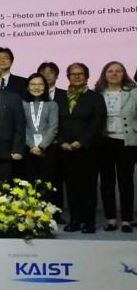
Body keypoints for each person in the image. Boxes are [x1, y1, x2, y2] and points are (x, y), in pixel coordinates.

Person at [59, 63, 106, 234]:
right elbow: (55, 121)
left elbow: (98, 122)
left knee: (88, 187)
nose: (77, 76)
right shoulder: (61, 97)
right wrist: (62, 141)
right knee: (71, 187)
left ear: (86, 76)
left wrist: (81, 141)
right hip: (66, 149)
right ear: (68, 77)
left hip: (88, 149)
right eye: (73, 74)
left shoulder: (95, 97)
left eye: (80, 74)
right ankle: (75, 220)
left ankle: (89, 222)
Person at [95, 61, 137, 232]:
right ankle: (111, 219)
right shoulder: (98, 93)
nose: (114, 74)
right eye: (110, 71)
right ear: (104, 74)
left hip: (126, 141)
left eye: (118, 71)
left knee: (126, 181)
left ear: (124, 74)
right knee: (106, 182)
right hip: (104, 141)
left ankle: (126, 220)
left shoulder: (133, 92)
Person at [21, 73, 58, 194]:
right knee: (29, 185)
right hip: (28, 149)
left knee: (46, 185)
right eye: (33, 84)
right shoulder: (22, 104)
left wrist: (41, 146)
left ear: (45, 87)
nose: (36, 87)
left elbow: (53, 128)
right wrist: (32, 146)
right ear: (27, 87)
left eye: (40, 84)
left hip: (48, 149)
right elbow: (21, 127)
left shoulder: (52, 105)